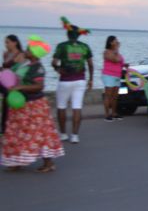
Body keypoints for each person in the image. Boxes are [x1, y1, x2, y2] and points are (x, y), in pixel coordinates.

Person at [2, 36, 63, 172]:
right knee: (17, 132)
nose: (26, 51)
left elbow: (39, 86)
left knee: (39, 134)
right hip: (21, 105)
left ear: (35, 53)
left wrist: (19, 88)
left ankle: (48, 163)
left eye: (29, 49)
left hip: (34, 105)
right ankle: (16, 161)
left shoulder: (38, 68)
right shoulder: (26, 64)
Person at [52, 16, 93, 144]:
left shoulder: (61, 46)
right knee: (77, 107)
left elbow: (54, 62)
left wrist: (58, 69)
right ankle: (75, 135)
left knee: (61, 107)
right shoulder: (85, 47)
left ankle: (63, 134)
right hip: (80, 80)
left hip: (64, 80)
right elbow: (90, 64)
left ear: (68, 34)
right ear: (79, 35)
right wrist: (91, 79)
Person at [2, 34, 26, 134]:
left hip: (14, 82)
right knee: (5, 103)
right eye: (5, 42)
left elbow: (21, 69)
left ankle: (9, 127)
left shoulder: (20, 54)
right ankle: (4, 127)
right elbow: (4, 68)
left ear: (15, 42)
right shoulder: (6, 54)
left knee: (8, 103)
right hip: (4, 80)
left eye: (8, 42)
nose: (6, 44)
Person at [101, 36, 126, 121]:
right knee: (108, 95)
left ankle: (114, 113)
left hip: (117, 75)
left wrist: (125, 65)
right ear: (110, 42)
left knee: (115, 96)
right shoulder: (106, 52)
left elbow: (120, 62)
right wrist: (116, 49)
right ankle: (107, 114)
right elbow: (115, 60)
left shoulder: (117, 53)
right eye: (116, 41)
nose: (117, 42)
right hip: (109, 75)